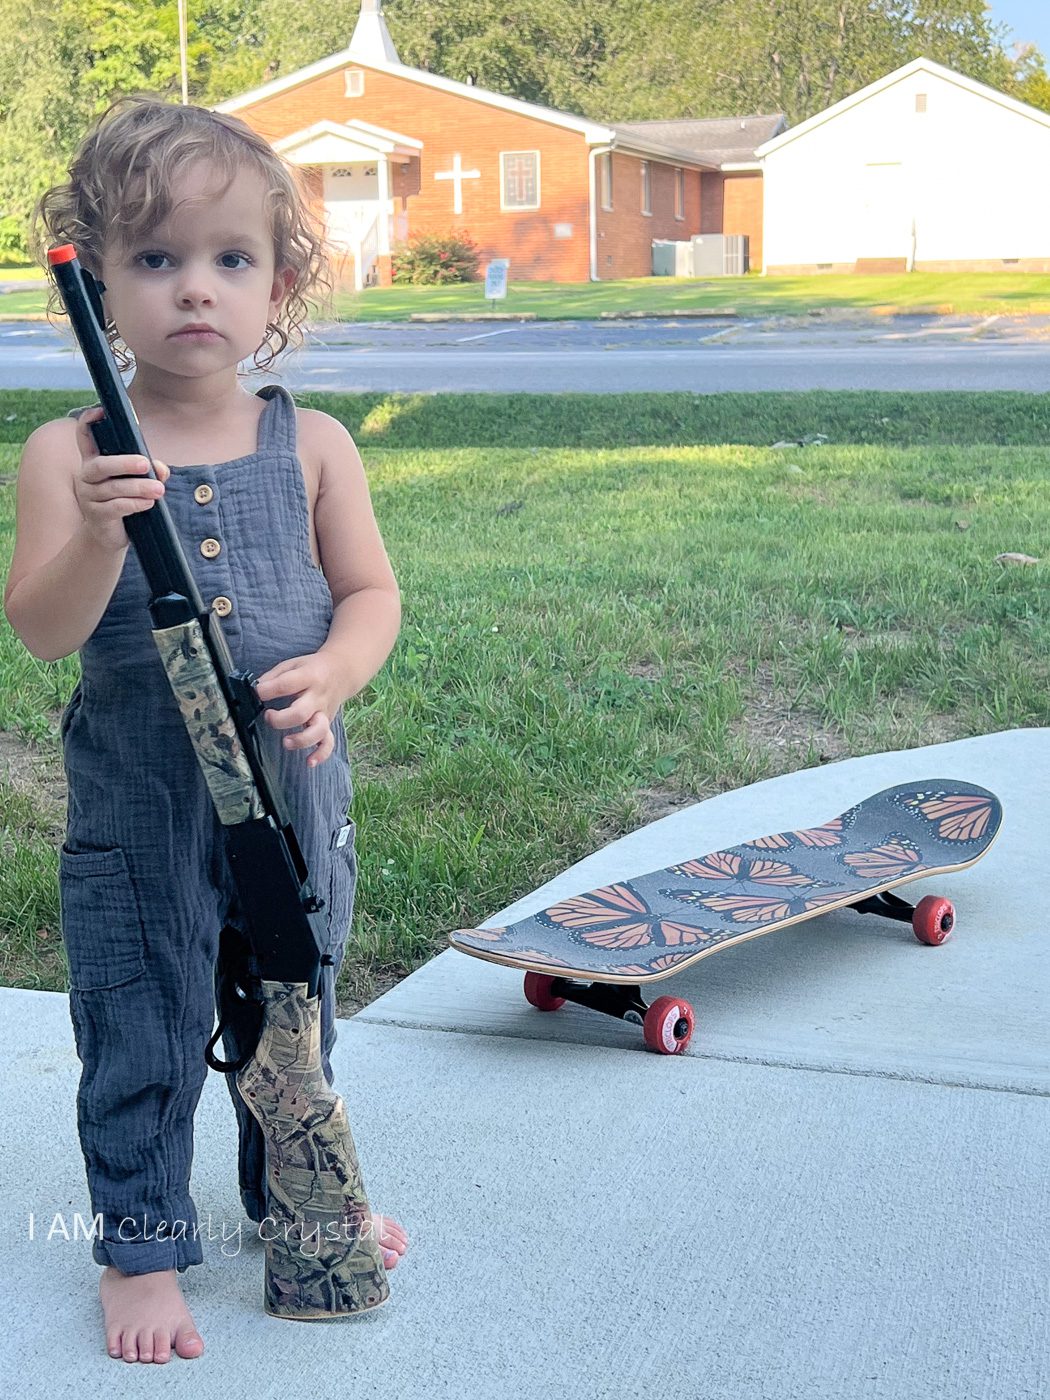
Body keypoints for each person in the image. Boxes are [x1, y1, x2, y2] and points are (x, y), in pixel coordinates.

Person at [3, 96, 408, 1364]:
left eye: (230, 259)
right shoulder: (68, 452)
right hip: (140, 817)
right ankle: (137, 1243)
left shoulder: (318, 443)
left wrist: (337, 671)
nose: (195, 289)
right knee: (146, 1018)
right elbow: (42, 629)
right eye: (155, 259)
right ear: (101, 279)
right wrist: (98, 528)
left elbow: (373, 596)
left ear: (278, 282)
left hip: (293, 806)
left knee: (295, 1019)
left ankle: (299, 1197)